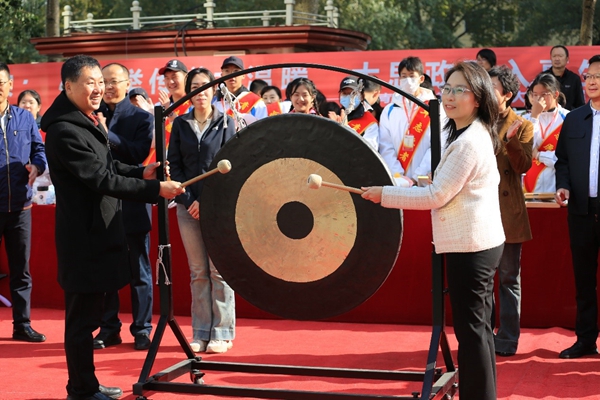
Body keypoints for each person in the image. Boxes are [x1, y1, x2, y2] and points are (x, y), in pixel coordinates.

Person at [40, 54, 184, 400]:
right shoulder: (63, 130)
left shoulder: (83, 120)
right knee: (81, 322)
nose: (98, 89)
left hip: (99, 232)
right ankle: (81, 390)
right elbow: (101, 179)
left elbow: (108, 164)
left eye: (100, 82)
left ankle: (87, 384)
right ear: (68, 86)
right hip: (83, 238)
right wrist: (154, 189)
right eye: (89, 82)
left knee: (89, 318)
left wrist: (141, 172)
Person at [362, 61, 504, 400]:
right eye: (447, 88)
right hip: (477, 242)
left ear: (478, 98)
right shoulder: (469, 132)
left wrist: (385, 195)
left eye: (459, 90)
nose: (450, 97)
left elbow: (436, 196)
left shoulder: (469, 142)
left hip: (471, 247)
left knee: (472, 333)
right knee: (479, 330)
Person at [167, 67, 236, 354]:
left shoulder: (226, 123)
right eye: (195, 87)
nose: (201, 92)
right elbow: (175, 167)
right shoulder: (180, 124)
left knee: (219, 270)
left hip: (217, 208)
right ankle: (201, 332)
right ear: (189, 92)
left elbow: (231, 167)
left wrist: (206, 201)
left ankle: (223, 332)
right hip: (187, 207)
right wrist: (189, 200)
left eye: (205, 86)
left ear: (214, 89)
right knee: (198, 272)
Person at [91, 63, 155, 351]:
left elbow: (138, 154)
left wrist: (108, 133)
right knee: (106, 269)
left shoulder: (141, 117)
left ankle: (142, 329)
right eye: (103, 81)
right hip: (103, 202)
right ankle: (109, 328)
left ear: (128, 84)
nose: (108, 87)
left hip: (133, 201)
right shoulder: (91, 115)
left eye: (114, 81)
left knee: (139, 269)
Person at [554, 54, 600, 359]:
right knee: (584, 280)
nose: (591, 81)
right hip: (581, 211)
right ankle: (585, 340)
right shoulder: (573, 119)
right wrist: (563, 184)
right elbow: (563, 161)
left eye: (598, 76)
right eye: (588, 77)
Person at [488, 65, 534, 357]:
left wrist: (511, 141)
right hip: (479, 209)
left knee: (507, 278)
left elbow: (523, 165)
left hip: (507, 211)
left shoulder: (522, 125)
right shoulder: (475, 120)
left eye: (492, 87)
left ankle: (507, 339)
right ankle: (482, 336)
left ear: (506, 94)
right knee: (481, 279)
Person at [0, 62, 47, 344]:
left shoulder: (24, 117)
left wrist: (37, 167)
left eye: (0, 83)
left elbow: (39, 149)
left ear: (10, 85)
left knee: (21, 269)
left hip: (20, 206)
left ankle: (22, 324)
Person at [378, 56, 440, 186]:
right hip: (398, 181)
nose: (408, 80)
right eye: (404, 76)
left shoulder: (435, 108)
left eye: (412, 76)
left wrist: (417, 176)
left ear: (421, 79)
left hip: (425, 180)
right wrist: (399, 176)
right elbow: (385, 146)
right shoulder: (389, 110)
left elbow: (438, 144)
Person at [523, 73, 569, 193]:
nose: (539, 99)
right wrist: (534, 116)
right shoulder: (526, 119)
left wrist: (539, 155)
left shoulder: (568, 118)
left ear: (556, 94)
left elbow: (567, 157)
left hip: (557, 188)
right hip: (530, 187)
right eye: (535, 95)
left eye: (544, 94)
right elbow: (525, 152)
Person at [144, 59, 192, 164]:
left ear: (186, 77)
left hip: (183, 161)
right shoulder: (159, 106)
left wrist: (168, 111)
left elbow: (189, 132)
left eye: (174, 77)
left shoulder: (193, 104)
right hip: (159, 162)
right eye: (167, 78)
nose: (170, 82)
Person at [215, 56, 267, 122]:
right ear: (222, 74)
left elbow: (263, 126)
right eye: (227, 71)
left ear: (243, 75)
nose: (231, 75)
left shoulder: (256, 103)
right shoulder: (214, 101)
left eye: (236, 71)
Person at [335, 76, 379, 151]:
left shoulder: (370, 123)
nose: (349, 96)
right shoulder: (335, 115)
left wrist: (346, 128)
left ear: (361, 96)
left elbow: (370, 151)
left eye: (353, 93)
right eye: (344, 93)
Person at [545, 45, 585, 111]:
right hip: (547, 115)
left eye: (560, 56)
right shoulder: (543, 77)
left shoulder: (574, 79)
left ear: (567, 59)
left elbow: (580, 104)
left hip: (570, 115)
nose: (557, 59)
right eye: (554, 56)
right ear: (551, 58)